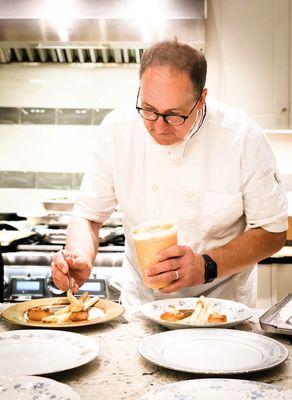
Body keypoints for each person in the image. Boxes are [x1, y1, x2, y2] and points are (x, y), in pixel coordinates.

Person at [51, 39, 287, 308]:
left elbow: (272, 231)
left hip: (222, 308)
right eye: (149, 110)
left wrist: (204, 266)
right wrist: (77, 255)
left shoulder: (240, 136)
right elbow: (88, 216)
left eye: (174, 116)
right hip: (142, 305)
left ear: (202, 100)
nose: (158, 127)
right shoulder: (118, 130)